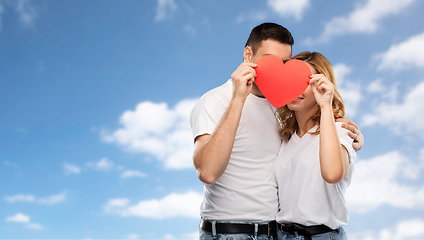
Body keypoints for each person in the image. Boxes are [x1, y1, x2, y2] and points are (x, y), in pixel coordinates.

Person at [190, 23, 363, 240]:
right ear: (248, 55)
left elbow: (325, 157)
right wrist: (238, 99)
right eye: (268, 59)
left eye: (283, 63)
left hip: (276, 233)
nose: (276, 70)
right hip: (231, 232)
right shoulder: (215, 102)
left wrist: (341, 127)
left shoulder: (281, 108)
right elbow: (206, 172)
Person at [274, 52, 355, 240]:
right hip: (282, 235)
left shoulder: (341, 130)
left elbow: (333, 174)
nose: (296, 88)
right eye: (291, 80)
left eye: (306, 82)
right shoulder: (286, 138)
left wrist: (326, 106)